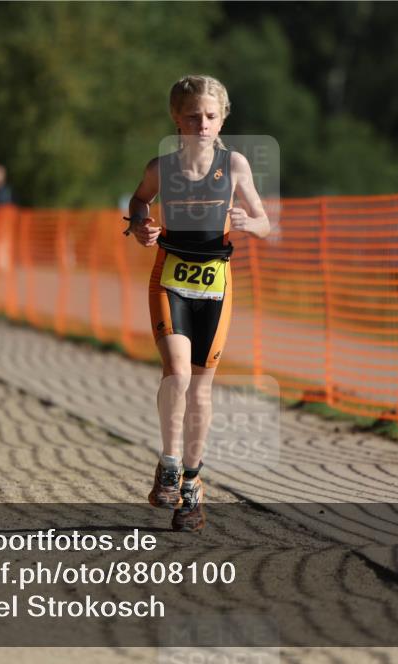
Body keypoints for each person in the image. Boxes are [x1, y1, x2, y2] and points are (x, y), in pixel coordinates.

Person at [126, 75, 271, 532]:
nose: (202, 124)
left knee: (202, 390)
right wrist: (140, 226)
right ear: (177, 119)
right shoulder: (162, 168)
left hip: (216, 286)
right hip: (171, 278)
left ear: (222, 117)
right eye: (193, 116)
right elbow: (139, 201)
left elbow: (266, 222)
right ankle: (168, 463)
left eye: (210, 116)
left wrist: (251, 222)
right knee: (179, 374)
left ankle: (191, 486)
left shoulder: (235, 166)